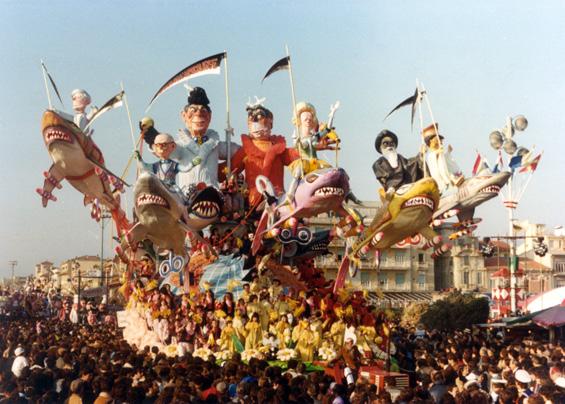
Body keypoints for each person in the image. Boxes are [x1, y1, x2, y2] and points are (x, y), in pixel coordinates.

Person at [230, 101, 299, 206]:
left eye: (263, 125)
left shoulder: (278, 148)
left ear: (271, 125)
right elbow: (230, 169)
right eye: (253, 125)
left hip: (277, 196)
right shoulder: (245, 150)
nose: (258, 129)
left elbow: (296, 155)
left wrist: (307, 146)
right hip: (253, 199)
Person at [172, 87, 239, 190]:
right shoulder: (181, 145)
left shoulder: (215, 145)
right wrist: (150, 135)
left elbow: (237, 151)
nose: (198, 114)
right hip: (186, 192)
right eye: (193, 111)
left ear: (210, 116)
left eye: (203, 111)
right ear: (184, 116)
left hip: (210, 191)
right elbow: (164, 148)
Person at [285, 102, 338, 203]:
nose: (308, 120)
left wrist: (332, 115)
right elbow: (298, 146)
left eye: (310, 118)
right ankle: (290, 196)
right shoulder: (298, 138)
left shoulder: (315, 137)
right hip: (304, 162)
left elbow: (327, 129)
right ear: (300, 120)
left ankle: (345, 194)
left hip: (315, 162)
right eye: (305, 118)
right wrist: (297, 141)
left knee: (332, 172)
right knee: (298, 172)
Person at [372, 129, 424, 194]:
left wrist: (420, 154)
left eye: (391, 143)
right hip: (392, 189)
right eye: (385, 143)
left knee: (419, 162)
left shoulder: (400, 158)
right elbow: (384, 179)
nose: (389, 146)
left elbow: (410, 165)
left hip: (407, 186)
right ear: (380, 148)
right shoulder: (378, 163)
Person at [423, 123, 464, 193]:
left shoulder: (440, 152)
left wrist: (448, 152)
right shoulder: (431, 156)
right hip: (442, 186)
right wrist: (438, 153)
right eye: (438, 138)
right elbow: (435, 163)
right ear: (431, 140)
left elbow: (445, 161)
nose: (440, 141)